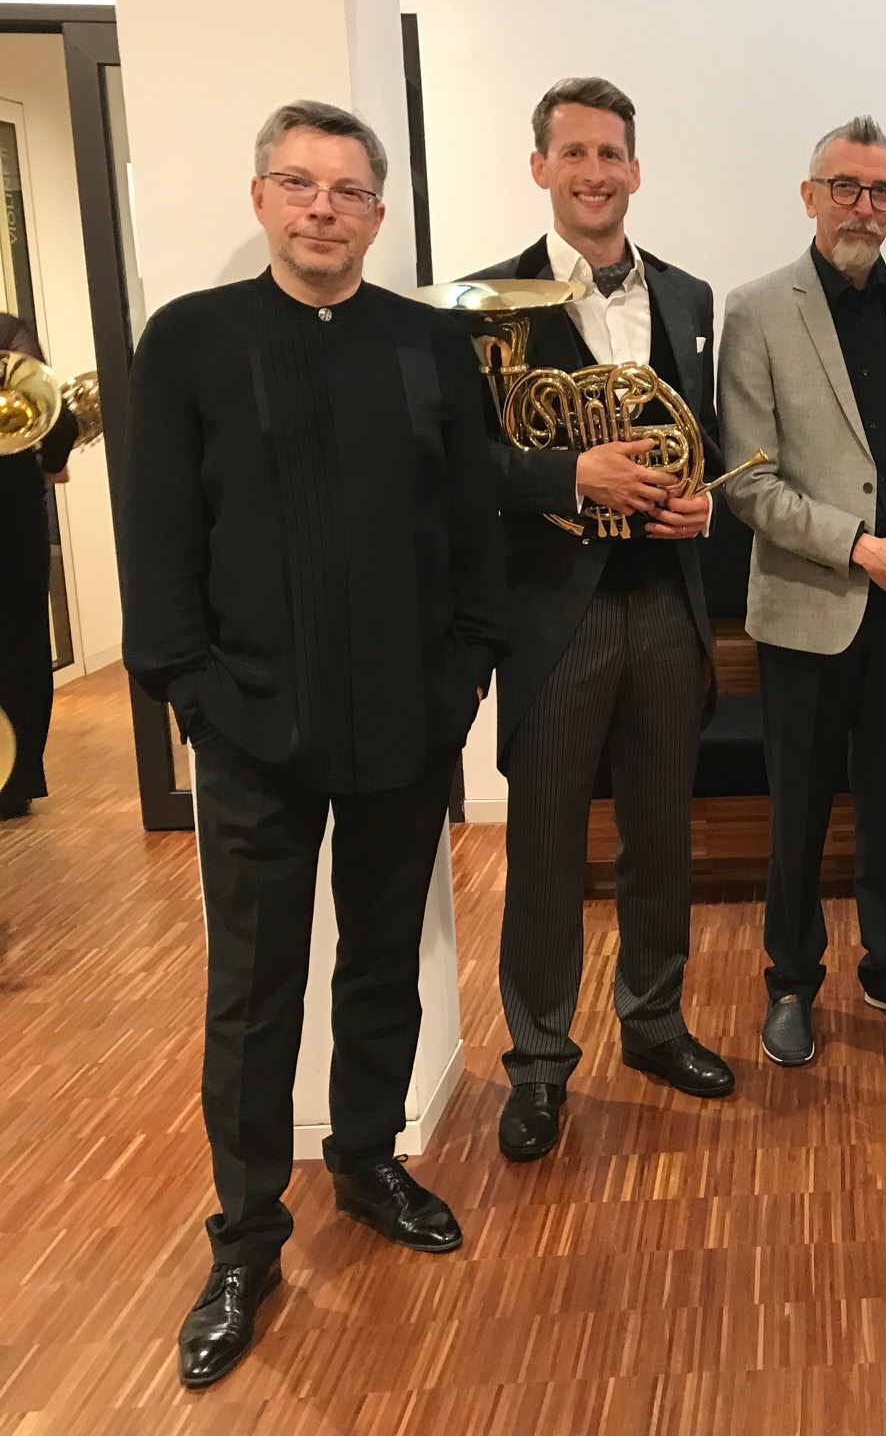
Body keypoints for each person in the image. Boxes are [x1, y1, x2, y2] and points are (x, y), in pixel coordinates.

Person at [119, 101, 508, 1387]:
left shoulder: (430, 343)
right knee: (252, 992)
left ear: (379, 215)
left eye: (347, 192)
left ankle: (366, 1159)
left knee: (385, 961)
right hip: (249, 732)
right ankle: (244, 1240)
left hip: (406, 721)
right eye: (298, 185)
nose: (322, 209)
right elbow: (159, 536)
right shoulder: (191, 340)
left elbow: (472, 526)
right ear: (261, 198)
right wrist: (195, 696)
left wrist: (461, 679)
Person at [465, 77, 731, 1164]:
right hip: (555, 617)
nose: (593, 172)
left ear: (636, 169)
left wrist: (705, 500)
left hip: (664, 603)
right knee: (545, 850)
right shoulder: (483, 300)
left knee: (660, 835)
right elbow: (464, 462)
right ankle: (537, 1063)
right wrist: (569, 473)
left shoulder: (689, 295)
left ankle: (654, 1023)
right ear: (540, 168)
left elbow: (701, 439)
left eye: (610, 153)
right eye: (572, 153)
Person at [720, 115, 886, 1067]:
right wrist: (865, 550)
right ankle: (791, 980)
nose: (864, 207)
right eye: (846, 188)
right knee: (798, 812)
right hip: (807, 606)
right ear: (809, 195)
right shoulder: (756, 309)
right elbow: (748, 482)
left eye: (881, 191)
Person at [0, 313, 78, 819]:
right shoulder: (7, 333)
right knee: (20, 644)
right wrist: (51, 465)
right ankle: (13, 781)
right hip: (10, 513)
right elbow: (57, 418)